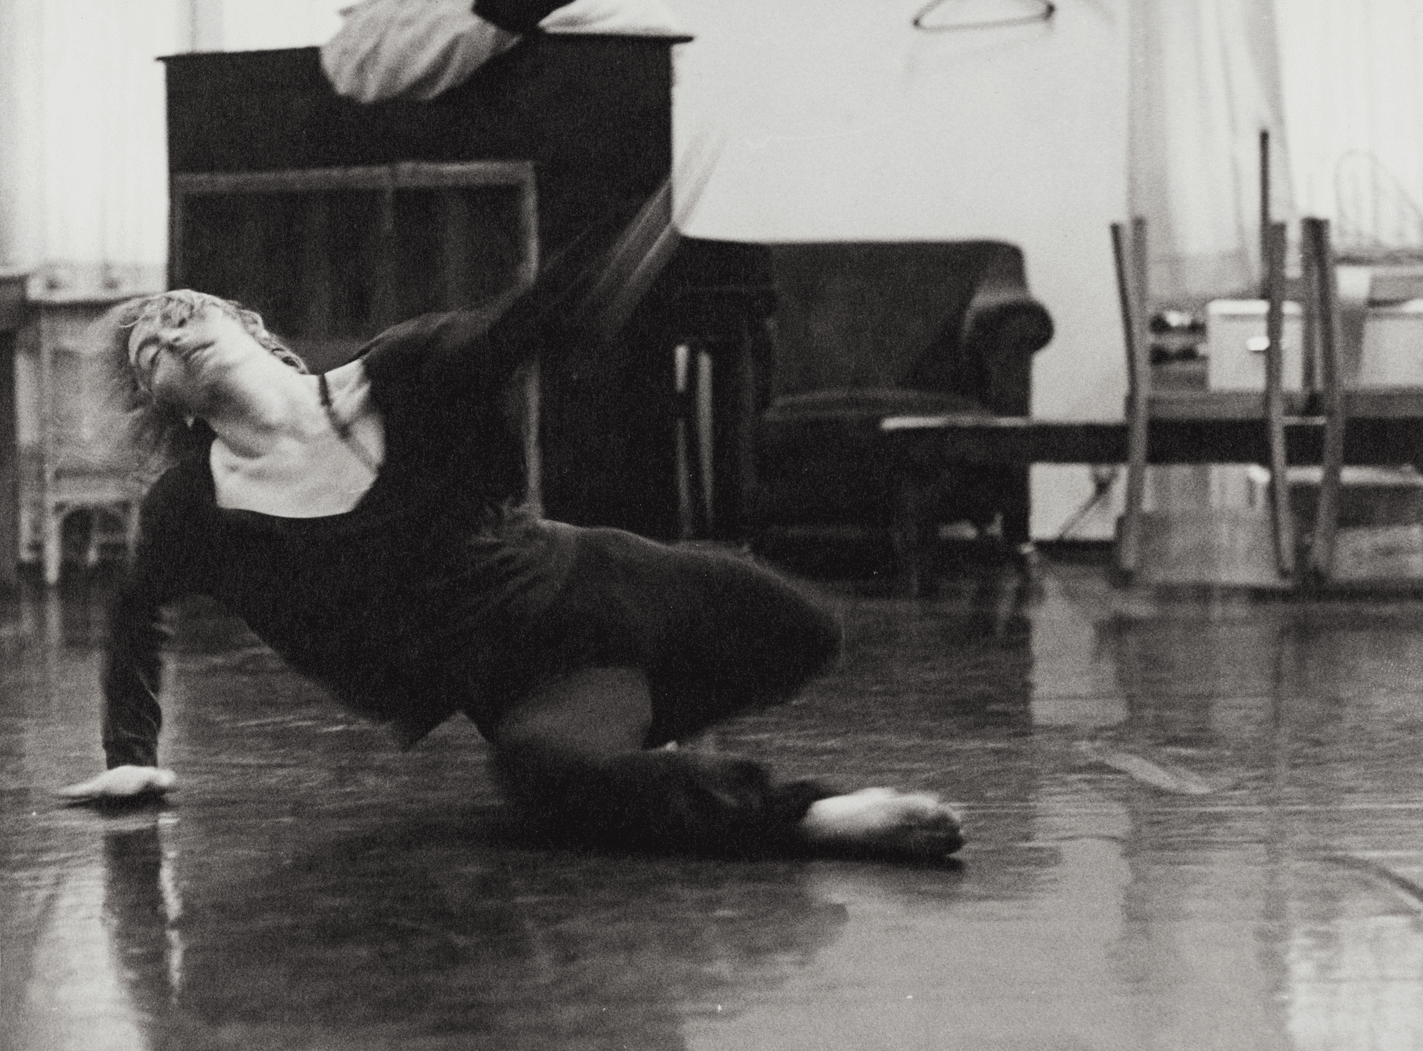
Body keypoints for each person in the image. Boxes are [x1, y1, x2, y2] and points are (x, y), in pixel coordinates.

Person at [55, 241, 965, 861]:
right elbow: (137, 614)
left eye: (183, 316)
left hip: (608, 578)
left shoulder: (398, 372)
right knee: (545, 773)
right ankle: (814, 815)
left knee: (808, 629)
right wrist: (129, 750)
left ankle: (655, 749)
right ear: (166, 403)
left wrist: (592, 276)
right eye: (149, 355)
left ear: (250, 329)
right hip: (532, 683)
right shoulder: (198, 506)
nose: (170, 337)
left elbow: (507, 333)